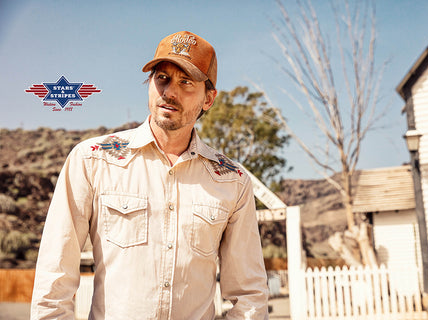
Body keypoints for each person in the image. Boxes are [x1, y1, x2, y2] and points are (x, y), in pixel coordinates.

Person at [30, 31, 269, 320]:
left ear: (208, 98)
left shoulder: (232, 180)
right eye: (162, 78)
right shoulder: (93, 159)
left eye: (186, 83)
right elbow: (54, 277)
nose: (170, 92)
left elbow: (249, 295)